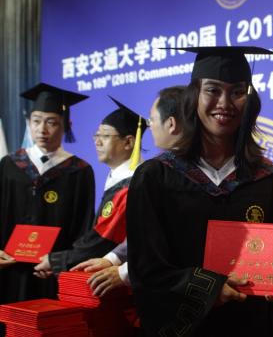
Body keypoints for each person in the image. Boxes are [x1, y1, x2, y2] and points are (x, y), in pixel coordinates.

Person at [127, 47, 273, 336]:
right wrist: (209, 288)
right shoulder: (156, 177)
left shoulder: (268, 180)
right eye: (212, 90)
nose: (225, 103)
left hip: (251, 326)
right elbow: (146, 269)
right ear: (194, 96)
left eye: (237, 92)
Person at [73, 86, 185, 296]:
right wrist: (111, 259)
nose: (150, 126)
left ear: (171, 124)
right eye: (96, 135)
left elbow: (169, 238)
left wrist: (124, 272)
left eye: (152, 119)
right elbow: (145, 233)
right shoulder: (160, 169)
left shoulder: (150, 177)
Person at [0, 83, 95, 303]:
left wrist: (63, 262)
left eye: (51, 122)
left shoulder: (79, 170)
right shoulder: (9, 165)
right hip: (9, 268)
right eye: (36, 121)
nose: (42, 130)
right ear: (29, 123)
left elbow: (83, 224)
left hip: (51, 270)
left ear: (66, 125)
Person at [33, 97, 147, 279]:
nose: (97, 142)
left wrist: (58, 260)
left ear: (128, 142)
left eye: (105, 136)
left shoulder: (131, 184)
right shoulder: (119, 177)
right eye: (97, 135)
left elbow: (103, 239)